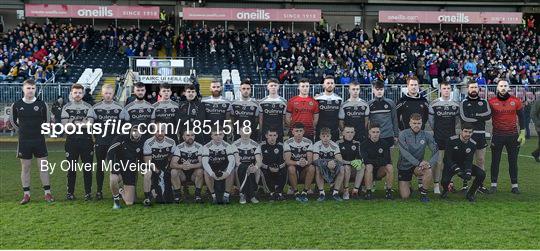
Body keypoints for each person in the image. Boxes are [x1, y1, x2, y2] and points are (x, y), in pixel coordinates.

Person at [9, 79, 54, 204]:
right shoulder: (16, 105)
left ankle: (47, 193)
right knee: (25, 168)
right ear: (23, 89)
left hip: (39, 140)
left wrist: (40, 131)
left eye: (33, 88)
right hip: (24, 141)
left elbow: (46, 121)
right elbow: (13, 121)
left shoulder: (42, 104)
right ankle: (26, 195)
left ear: (36, 89)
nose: (31, 90)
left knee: (43, 167)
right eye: (28, 88)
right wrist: (22, 130)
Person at [488, 80, 526, 194]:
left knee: (513, 161)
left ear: (508, 87)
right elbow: (485, 116)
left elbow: (522, 117)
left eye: (505, 86)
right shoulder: (491, 102)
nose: (503, 87)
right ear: (497, 88)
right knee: (495, 161)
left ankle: (514, 186)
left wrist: (523, 132)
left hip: (513, 136)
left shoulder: (516, 101)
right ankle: (493, 185)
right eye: (501, 86)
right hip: (497, 135)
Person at [87, 84, 123, 200]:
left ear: (113, 94)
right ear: (102, 94)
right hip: (100, 142)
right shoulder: (95, 108)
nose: (108, 95)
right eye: (106, 93)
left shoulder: (120, 108)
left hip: (115, 143)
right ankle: (99, 191)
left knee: (116, 167)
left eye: (110, 93)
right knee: (100, 167)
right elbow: (90, 124)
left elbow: (126, 123)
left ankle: (118, 190)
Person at [61, 83, 95, 201]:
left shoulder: (89, 107)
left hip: (87, 141)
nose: (77, 95)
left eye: (80, 92)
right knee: (71, 169)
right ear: (71, 93)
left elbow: (90, 124)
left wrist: (74, 122)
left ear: (83, 93)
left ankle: (88, 193)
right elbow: (65, 127)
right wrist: (82, 123)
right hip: (71, 142)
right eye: (75, 92)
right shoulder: (66, 107)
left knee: (87, 168)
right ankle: (70, 193)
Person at [459, 80, 491, 194]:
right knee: (466, 160)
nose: (473, 89)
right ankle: (465, 185)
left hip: (480, 134)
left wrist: (475, 115)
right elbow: (464, 118)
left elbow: (488, 115)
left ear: (479, 89)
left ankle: (480, 185)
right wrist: (479, 117)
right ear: (468, 89)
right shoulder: (463, 102)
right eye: (471, 87)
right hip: (467, 135)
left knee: (480, 160)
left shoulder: (484, 102)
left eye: (475, 87)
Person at [440, 123, 486, 202]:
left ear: (472, 133)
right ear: (461, 131)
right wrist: (457, 170)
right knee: (444, 181)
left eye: (470, 132)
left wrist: (468, 172)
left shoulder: (473, 144)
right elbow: (447, 158)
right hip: (451, 165)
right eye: (465, 131)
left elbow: (469, 160)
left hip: (463, 165)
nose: (467, 134)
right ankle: (445, 190)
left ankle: (470, 194)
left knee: (481, 174)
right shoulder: (451, 140)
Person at [397, 113, 438, 202]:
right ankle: (409, 186)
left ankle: (423, 194)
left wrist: (429, 164)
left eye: (419, 123)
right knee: (405, 196)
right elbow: (405, 154)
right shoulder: (403, 134)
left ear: (422, 123)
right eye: (414, 123)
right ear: (410, 123)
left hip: (418, 167)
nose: (416, 125)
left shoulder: (426, 135)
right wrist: (419, 163)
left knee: (428, 170)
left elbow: (436, 151)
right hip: (404, 166)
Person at [428, 82, 460, 194]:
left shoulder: (456, 104)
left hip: (451, 137)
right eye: (444, 88)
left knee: (451, 161)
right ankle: (436, 185)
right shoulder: (434, 104)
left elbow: (456, 121)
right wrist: (437, 130)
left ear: (450, 90)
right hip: (438, 137)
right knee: (438, 162)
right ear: (440, 90)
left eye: (448, 88)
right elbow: (431, 122)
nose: (446, 90)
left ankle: (450, 183)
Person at [107, 126, 145, 209]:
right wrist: (113, 167)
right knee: (113, 179)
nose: (136, 133)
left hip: (130, 170)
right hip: (119, 167)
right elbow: (110, 153)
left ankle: (120, 191)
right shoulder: (121, 138)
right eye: (134, 130)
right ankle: (116, 202)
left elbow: (142, 158)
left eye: (139, 131)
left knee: (129, 203)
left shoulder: (142, 142)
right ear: (130, 131)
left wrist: (143, 168)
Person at [142, 124, 176, 206]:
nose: (160, 133)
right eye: (157, 131)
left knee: (172, 173)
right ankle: (147, 197)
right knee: (148, 174)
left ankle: (172, 194)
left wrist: (167, 167)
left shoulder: (171, 142)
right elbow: (148, 161)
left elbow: (172, 157)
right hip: (151, 165)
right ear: (153, 131)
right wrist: (158, 171)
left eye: (162, 131)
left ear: (165, 131)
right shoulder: (148, 142)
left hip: (164, 166)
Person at [201, 128, 237, 204]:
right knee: (206, 171)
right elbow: (205, 162)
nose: (218, 137)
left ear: (223, 135)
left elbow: (232, 160)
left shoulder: (228, 146)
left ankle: (226, 196)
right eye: (216, 135)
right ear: (211, 136)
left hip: (223, 168)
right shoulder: (206, 147)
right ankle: (213, 196)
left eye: (220, 134)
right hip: (212, 168)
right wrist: (211, 174)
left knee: (231, 170)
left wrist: (227, 173)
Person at [360, 123, 394, 200]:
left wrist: (373, 161)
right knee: (369, 166)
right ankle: (368, 192)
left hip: (380, 170)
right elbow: (365, 160)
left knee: (390, 167)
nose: (375, 134)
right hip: (368, 171)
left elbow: (387, 160)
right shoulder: (364, 144)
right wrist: (378, 160)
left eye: (377, 132)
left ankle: (389, 191)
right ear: (369, 132)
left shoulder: (384, 144)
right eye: (373, 132)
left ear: (380, 132)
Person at [170, 130, 204, 203]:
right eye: (188, 135)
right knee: (173, 171)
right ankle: (177, 197)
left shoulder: (199, 146)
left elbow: (201, 164)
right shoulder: (179, 147)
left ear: (194, 136)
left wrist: (191, 166)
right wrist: (182, 166)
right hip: (182, 174)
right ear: (183, 137)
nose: (190, 137)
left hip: (193, 174)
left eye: (192, 135)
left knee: (200, 171)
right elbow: (172, 164)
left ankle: (197, 196)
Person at [284, 123, 315, 202]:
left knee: (311, 167)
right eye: (296, 131)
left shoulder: (308, 142)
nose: (298, 133)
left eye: (300, 131)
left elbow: (310, 160)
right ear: (293, 132)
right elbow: (287, 161)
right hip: (294, 168)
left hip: (304, 168)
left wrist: (306, 162)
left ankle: (305, 191)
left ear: (304, 132)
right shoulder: (287, 142)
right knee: (290, 168)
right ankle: (296, 192)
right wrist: (298, 162)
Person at [313, 127, 345, 201]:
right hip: (322, 166)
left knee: (342, 168)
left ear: (330, 136)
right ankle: (321, 193)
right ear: (320, 137)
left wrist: (333, 162)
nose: (325, 138)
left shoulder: (334, 145)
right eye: (323, 136)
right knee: (317, 168)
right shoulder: (317, 145)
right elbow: (315, 160)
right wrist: (327, 163)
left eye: (327, 136)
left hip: (332, 165)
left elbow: (339, 159)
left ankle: (335, 193)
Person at [233, 129, 262, 204]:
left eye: (247, 131)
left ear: (251, 132)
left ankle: (253, 193)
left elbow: (259, 161)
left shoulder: (255, 145)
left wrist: (255, 167)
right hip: (241, 167)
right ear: (239, 132)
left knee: (258, 170)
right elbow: (237, 162)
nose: (245, 134)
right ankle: (242, 194)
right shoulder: (235, 144)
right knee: (237, 169)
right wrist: (246, 168)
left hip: (251, 167)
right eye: (243, 131)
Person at [368, 80, 399, 148]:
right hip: (374, 136)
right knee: (375, 157)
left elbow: (394, 120)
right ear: (373, 90)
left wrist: (396, 135)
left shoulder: (391, 103)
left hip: (388, 136)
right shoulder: (369, 104)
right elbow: (367, 122)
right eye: (377, 89)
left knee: (389, 158)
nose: (379, 91)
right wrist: (368, 134)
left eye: (381, 89)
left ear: (384, 90)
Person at [258, 128, 287, 201]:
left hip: (279, 168)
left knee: (285, 170)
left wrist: (279, 167)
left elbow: (286, 160)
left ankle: (279, 193)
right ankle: (272, 193)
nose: (272, 137)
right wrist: (268, 167)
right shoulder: (261, 146)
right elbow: (259, 161)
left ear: (277, 136)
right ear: (266, 136)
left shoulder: (282, 146)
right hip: (266, 168)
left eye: (274, 135)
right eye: (270, 135)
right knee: (264, 171)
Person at [336, 126, 363, 200]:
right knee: (346, 167)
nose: (350, 134)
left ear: (354, 133)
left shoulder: (357, 143)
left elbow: (360, 156)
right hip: (342, 169)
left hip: (353, 168)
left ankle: (355, 190)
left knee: (362, 166)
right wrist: (350, 162)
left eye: (351, 132)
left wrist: (359, 161)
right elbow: (339, 160)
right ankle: (346, 190)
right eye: (347, 132)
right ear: (343, 133)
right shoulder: (338, 143)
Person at [314, 76, 342, 141]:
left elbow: (340, 117)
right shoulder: (316, 99)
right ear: (323, 85)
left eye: (332, 83)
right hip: (320, 131)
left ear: (334, 85)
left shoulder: (339, 99)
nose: (330, 85)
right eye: (328, 83)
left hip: (334, 131)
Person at [531, 97, 540, 162]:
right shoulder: (538, 102)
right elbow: (533, 114)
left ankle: (536, 153)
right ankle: (536, 154)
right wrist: (538, 123)